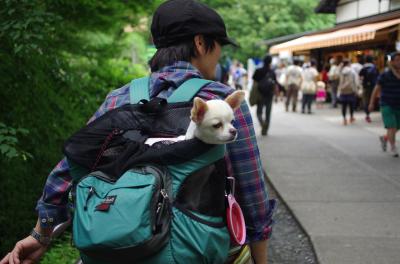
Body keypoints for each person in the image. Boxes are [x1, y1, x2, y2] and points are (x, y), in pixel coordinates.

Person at [0, 1, 275, 264]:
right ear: (201, 43)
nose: (219, 57)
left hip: (120, 246)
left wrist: (41, 234)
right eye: (219, 47)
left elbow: (68, 170)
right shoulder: (220, 100)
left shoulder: (118, 98)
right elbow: (252, 195)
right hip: (195, 249)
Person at [369, 52, 400, 158]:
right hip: (387, 104)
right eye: (397, 60)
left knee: (397, 126)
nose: (399, 62)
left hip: (398, 104)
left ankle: (385, 138)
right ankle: (393, 147)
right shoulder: (385, 74)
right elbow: (376, 89)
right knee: (392, 126)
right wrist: (371, 102)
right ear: (391, 62)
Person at [253, 55, 277, 136]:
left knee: (259, 112)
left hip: (260, 94)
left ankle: (263, 124)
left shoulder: (258, 70)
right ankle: (265, 130)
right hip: (270, 94)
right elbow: (275, 84)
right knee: (268, 113)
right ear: (270, 62)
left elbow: (254, 84)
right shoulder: (272, 71)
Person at [359, 55, 379, 123]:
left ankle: (367, 114)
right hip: (374, 86)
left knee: (365, 100)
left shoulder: (363, 67)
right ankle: (373, 109)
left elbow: (360, 76)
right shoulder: (374, 67)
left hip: (365, 86)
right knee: (372, 99)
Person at [338, 59, 358, 125]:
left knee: (343, 106)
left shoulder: (341, 71)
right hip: (350, 90)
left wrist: (340, 88)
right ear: (349, 63)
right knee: (351, 105)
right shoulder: (352, 71)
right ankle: (351, 117)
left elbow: (340, 81)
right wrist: (356, 90)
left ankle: (344, 119)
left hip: (343, 91)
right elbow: (354, 81)